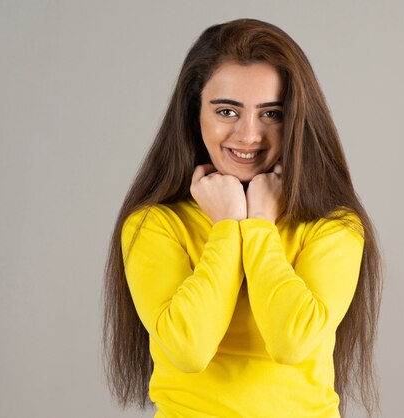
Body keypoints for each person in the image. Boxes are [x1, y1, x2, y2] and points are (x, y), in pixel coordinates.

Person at [103, 18, 383, 418]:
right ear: (193, 113)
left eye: (271, 113)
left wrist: (257, 228)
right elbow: (188, 349)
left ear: (296, 119)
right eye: (227, 111)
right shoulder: (155, 224)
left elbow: (292, 342)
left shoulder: (333, 225)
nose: (249, 135)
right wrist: (227, 226)